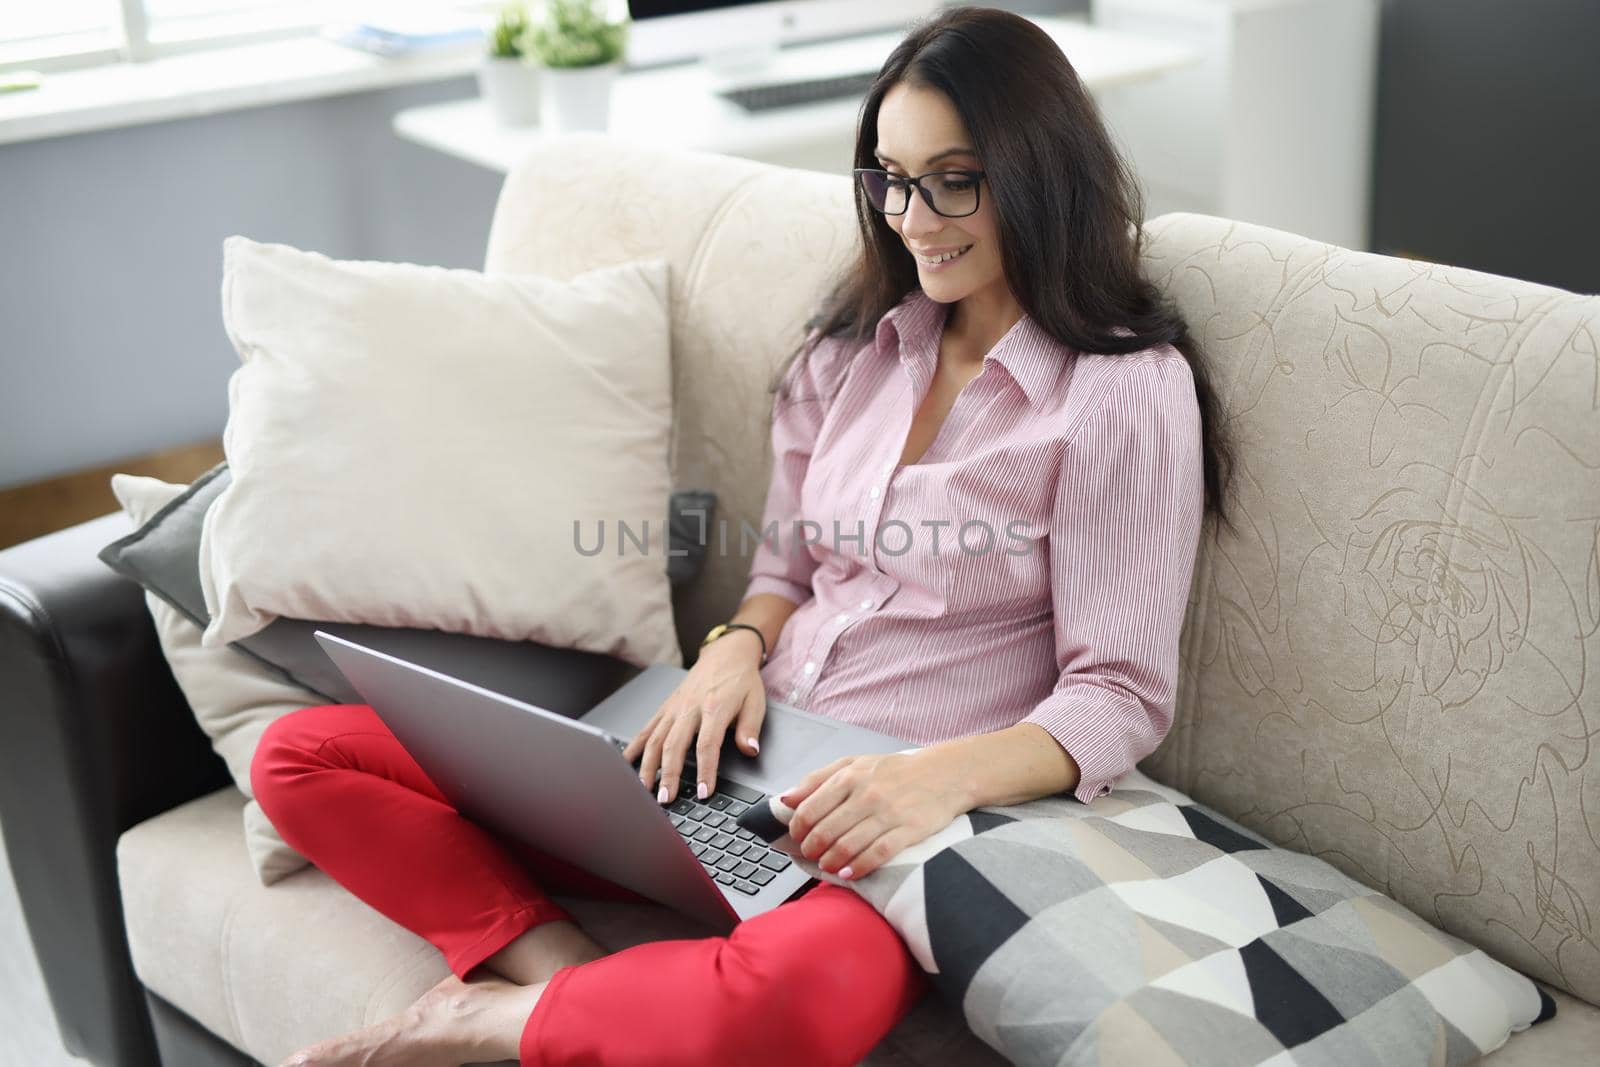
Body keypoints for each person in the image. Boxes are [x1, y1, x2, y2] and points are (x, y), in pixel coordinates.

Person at [251, 6, 1236, 1065]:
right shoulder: (852, 346)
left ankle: (499, 1020)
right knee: (302, 752)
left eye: (955, 179)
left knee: (808, 994)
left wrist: (937, 777)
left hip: (868, 818)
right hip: (725, 753)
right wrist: (731, 650)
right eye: (890, 179)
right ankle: (560, 973)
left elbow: (1118, 694)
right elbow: (787, 564)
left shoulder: (1120, 392)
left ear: (1040, 173)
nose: (913, 217)